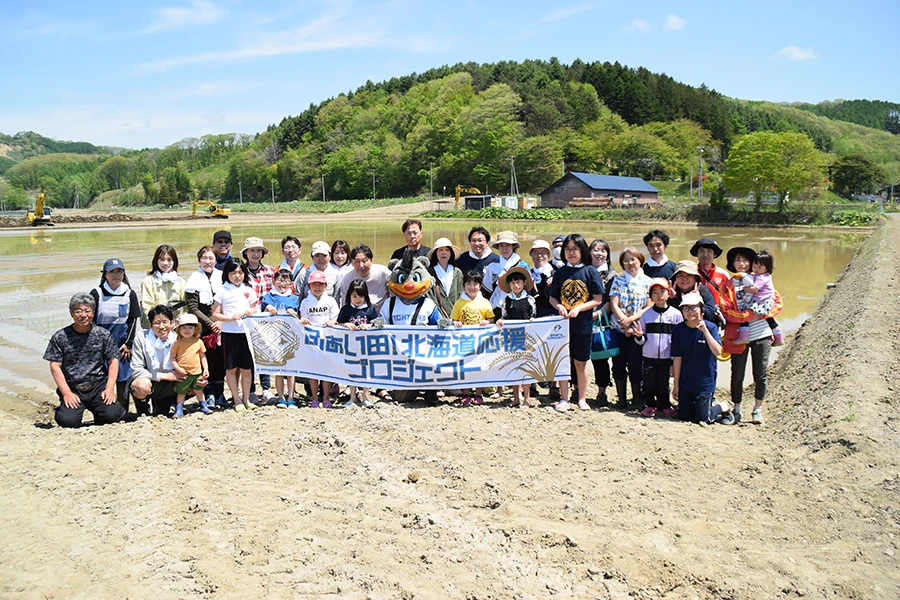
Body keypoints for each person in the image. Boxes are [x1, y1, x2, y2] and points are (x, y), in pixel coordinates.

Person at [720, 248, 784, 425]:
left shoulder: (761, 280)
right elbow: (726, 310)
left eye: (745, 260)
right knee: (737, 374)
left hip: (761, 333)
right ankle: (737, 410)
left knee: (760, 374)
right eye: (737, 260)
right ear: (732, 264)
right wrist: (750, 316)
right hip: (738, 334)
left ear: (752, 263)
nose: (742, 264)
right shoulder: (727, 285)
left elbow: (777, 303)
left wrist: (760, 315)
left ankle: (757, 409)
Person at [44, 293, 125, 428]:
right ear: (71, 313)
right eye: (78, 311)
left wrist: (110, 388)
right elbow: (55, 366)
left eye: (87, 311)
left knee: (113, 416)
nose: (83, 315)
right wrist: (66, 393)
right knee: (66, 421)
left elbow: (113, 361)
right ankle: (68, 408)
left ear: (93, 313)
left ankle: (101, 412)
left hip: (97, 386)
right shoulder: (60, 337)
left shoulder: (102, 334)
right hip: (74, 387)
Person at [548, 234, 604, 412]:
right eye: (568, 249)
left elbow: (597, 299)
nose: (571, 253)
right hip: (563, 325)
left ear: (582, 251)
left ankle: (582, 398)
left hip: (583, 324)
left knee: (581, 362)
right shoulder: (561, 272)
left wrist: (579, 308)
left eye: (575, 249)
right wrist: (559, 307)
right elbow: (552, 297)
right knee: (564, 361)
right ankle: (564, 398)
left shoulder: (590, 271)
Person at [671, 292, 733, 424]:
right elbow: (677, 358)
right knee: (684, 417)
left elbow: (718, 352)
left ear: (701, 309)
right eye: (685, 308)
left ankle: (723, 406)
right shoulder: (678, 330)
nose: (690, 312)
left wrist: (705, 331)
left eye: (693, 307)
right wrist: (676, 385)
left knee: (704, 419)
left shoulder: (711, 327)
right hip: (686, 381)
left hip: (704, 382)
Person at [89, 258, 141, 413]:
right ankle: (105, 409)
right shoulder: (96, 293)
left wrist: (129, 343)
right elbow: (90, 321)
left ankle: (123, 410)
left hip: (122, 344)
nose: (116, 275)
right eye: (112, 271)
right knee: (103, 378)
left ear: (124, 273)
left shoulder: (129, 294)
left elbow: (133, 321)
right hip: (101, 343)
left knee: (123, 378)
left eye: (119, 271)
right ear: (105, 274)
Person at [212, 257, 259, 412]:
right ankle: (236, 399)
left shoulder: (248, 289)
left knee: (247, 368)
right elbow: (215, 314)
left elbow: (255, 308)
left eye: (240, 272)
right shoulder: (223, 290)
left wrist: (251, 311)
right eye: (233, 272)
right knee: (231, 368)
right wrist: (230, 318)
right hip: (230, 332)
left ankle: (246, 399)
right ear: (227, 274)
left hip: (246, 333)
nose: (237, 276)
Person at [608, 246, 652, 410]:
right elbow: (614, 304)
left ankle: (637, 398)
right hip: (618, 328)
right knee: (618, 364)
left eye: (633, 259)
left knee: (636, 365)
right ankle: (621, 399)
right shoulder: (618, 280)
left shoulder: (648, 281)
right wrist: (623, 321)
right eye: (626, 260)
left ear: (640, 260)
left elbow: (649, 306)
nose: (630, 263)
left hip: (638, 329)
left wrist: (631, 321)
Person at [184, 245, 225, 409]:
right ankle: (208, 395)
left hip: (220, 325)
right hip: (204, 327)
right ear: (199, 260)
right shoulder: (194, 278)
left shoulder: (221, 276)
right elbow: (192, 307)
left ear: (216, 260)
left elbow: (225, 301)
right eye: (204, 258)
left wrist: (221, 321)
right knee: (205, 361)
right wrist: (211, 323)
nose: (208, 262)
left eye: (211, 258)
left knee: (220, 361)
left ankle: (220, 394)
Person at [635, 279, 682, 418]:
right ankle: (650, 405)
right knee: (648, 383)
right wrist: (638, 336)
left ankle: (665, 405)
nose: (659, 295)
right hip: (649, 356)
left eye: (662, 292)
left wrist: (674, 361)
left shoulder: (676, 314)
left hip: (667, 357)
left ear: (668, 294)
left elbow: (677, 341)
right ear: (650, 296)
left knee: (663, 384)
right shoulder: (646, 315)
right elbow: (641, 340)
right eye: (655, 293)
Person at [450, 270, 496, 406]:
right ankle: (466, 393)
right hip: (464, 342)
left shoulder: (485, 302)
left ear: (480, 286)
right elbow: (453, 319)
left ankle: (478, 393)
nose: (472, 287)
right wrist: (456, 323)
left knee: (479, 367)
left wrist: (486, 323)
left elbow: (491, 319)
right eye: (468, 283)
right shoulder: (459, 303)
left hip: (480, 342)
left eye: (475, 284)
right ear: (464, 285)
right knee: (465, 367)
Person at [496, 266, 537, 408]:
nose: (516, 285)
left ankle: (527, 398)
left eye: (518, 282)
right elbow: (504, 316)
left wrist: (532, 320)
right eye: (513, 283)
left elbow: (534, 316)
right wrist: (501, 321)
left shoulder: (530, 300)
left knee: (526, 367)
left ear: (524, 282)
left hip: (527, 337)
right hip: (512, 337)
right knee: (514, 367)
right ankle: (516, 397)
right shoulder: (506, 300)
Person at [130, 304, 181, 417]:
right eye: (157, 323)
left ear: (171, 323)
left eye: (165, 322)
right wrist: (164, 376)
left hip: (171, 382)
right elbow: (136, 371)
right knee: (140, 385)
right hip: (150, 380)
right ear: (150, 325)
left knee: (194, 381)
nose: (162, 326)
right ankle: (142, 408)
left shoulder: (177, 338)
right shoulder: (141, 337)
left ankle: (170, 403)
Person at [242, 236, 276, 403]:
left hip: (266, 319)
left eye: (258, 251)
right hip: (248, 319)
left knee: (266, 352)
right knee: (249, 354)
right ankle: (251, 390)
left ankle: (266, 389)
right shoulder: (240, 272)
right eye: (252, 251)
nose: (255, 254)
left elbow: (275, 293)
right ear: (246, 253)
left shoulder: (270, 271)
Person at [261, 269, 300, 409]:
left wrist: (293, 313)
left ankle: (291, 397)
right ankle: (281, 397)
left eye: (286, 281)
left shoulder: (293, 298)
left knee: (290, 370)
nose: (283, 284)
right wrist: (268, 308)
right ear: (274, 281)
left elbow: (298, 317)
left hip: (289, 339)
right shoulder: (269, 296)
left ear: (291, 283)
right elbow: (262, 312)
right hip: (273, 339)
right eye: (280, 280)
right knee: (278, 371)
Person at [336, 279, 379, 408]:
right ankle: (353, 396)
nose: (358, 299)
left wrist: (369, 325)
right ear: (349, 295)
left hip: (366, 347)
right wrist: (345, 324)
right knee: (352, 370)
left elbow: (377, 324)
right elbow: (337, 324)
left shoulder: (370, 309)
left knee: (366, 371)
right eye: (354, 296)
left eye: (360, 296)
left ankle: (366, 396)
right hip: (350, 347)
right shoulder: (345, 309)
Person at [300, 270, 339, 408]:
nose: (317, 287)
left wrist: (332, 322)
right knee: (313, 372)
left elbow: (335, 319)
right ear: (309, 286)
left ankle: (326, 397)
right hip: (311, 341)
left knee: (326, 372)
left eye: (320, 284)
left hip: (327, 340)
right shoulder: (305, 302)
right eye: (314, 284)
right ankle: (315, 398)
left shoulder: (330, 301)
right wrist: (303, 320)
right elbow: (302, 318)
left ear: (325, 285)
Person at [589, 239, 618, 406]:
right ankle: (577, 388)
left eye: (603, 250)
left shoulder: (612, 275)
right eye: (595, 249)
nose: (599, 253)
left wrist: (599, 313)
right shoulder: (584, 270)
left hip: (601, 319)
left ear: (607, 254)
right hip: (582, 317)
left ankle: (602, 391)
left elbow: (611, 299)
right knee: (576, 356)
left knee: (600, 357)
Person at [484, 230, 533, 320]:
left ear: (513, 246)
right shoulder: (492, 266)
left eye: (507, 245)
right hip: (497, 307)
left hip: (518, 307)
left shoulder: (523, 265)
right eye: (501, 246)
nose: (504, 249)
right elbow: (486, 291)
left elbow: (529, 289)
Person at [170, 314, 209, 418]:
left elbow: (202, 356)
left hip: (197, 372)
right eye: (184, 328)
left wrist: (206, 369)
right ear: (179, 329)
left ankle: (203, 406)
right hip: (183, 374)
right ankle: (179, 410)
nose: (187, 330)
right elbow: (172, 358)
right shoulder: (177, 343)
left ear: (195, 329)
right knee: (181, 392)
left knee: (199, 390)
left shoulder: (198, 342)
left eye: (190, 328)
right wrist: (178, 368)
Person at [140, 244, 186, 328]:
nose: (165, 263)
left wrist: (180, 321)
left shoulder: (180, 282)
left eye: (169, 260)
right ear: (156, 261)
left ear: (174, 261)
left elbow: (186, 306)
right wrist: (158, 324)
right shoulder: (148, 281)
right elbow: (147, 307)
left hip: (174, 326)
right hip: (154, 326)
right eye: (162, 259)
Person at [340, 244, 392, 312]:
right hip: (358, 316)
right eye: (357, 262)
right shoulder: (347, 279)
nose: (361, 265)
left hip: (382, 314)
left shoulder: (384, 273)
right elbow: (345, 304)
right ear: (352, 262)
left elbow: (395, 297)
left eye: (364, 261)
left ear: (371, 260)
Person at [668, 260, 720, 325]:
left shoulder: (704, 292)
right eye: (680, 275)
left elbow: (711, 317)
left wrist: (698, 301)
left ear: (695, 278)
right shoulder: (668, 292)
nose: (684, 279)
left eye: (689, 275)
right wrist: (671, 300)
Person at [426, 237, 463, 318]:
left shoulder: (457, 272)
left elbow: (462, 294)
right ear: (435, 253)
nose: (444, 253)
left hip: (457, 317)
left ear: (451, 253)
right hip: (436, 317)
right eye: (440, 250)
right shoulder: (429, 273)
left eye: (447, 250)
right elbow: (429, 296)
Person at [455, 226, 500, 291]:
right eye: (473, 241)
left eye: (480, 240)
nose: (476, 243)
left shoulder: (496, 260)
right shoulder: (462, 259)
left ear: (487, 242)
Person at [690, 237, 729, 306]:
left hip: (717, 312)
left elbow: (730, 297)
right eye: (701, 251)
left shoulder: (723, 274)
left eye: (709, 251)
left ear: (715, 255)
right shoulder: (691, 273)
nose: (705, 255)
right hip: (695, 311)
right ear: (697, 254)